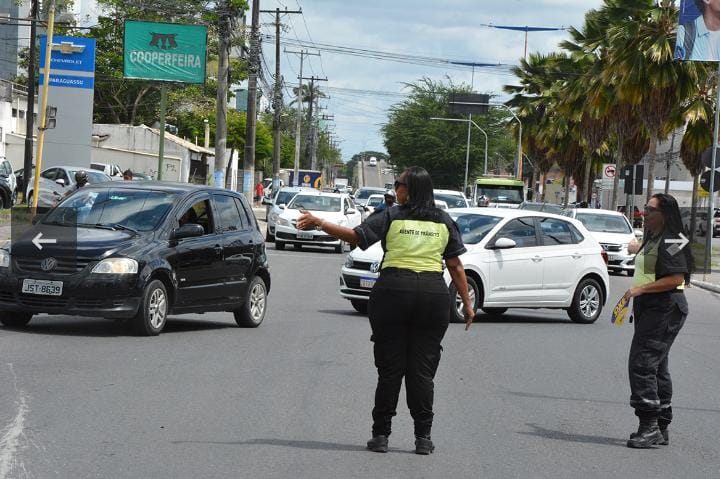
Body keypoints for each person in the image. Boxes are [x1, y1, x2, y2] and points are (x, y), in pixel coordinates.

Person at [297, 166, 475, 455]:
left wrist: (320, 223)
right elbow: (455, 266)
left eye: (398, 184)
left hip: (393, 292)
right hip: (432, 296)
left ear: (411, 189)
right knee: (422, 372)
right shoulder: (444, 220)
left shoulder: (391, 216)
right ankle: (423, 439)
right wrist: (467, 304)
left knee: (390, 370)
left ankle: (380, 436)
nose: (395, 190)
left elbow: (355, 237)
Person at [623, 193, 692, 448]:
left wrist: (639, 290)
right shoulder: (654, 236)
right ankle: (661, 426)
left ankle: (649, 425)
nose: (646, 212)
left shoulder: (675, 239)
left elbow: (676, 278)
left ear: (665, 213)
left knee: (642, 364)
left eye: (650, 209)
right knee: (657, 367)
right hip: (650, 308)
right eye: (645, 208)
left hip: (665, 308)